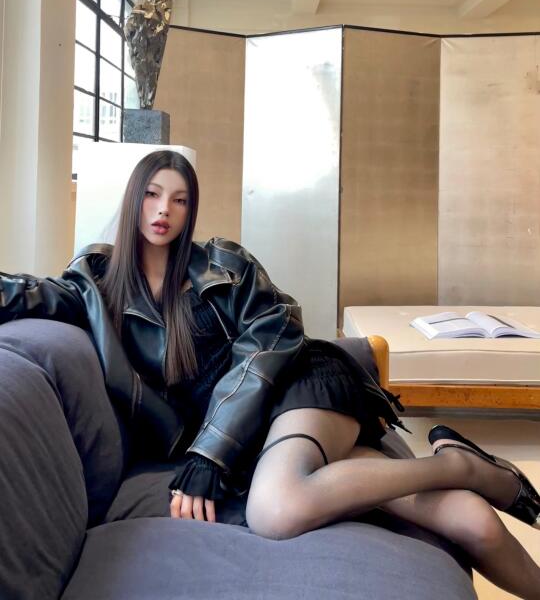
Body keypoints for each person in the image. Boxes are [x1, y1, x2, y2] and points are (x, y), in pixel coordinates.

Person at [0, 149, 539, 599]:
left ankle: (461, 466)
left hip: (300, 386)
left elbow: (274, 338)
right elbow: (26, 294)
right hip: (258, 438)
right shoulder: (93, 281)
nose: (164, 209)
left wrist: (210, 452)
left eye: (180, 199)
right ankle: (472, 482)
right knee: (466, 522)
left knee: (277, 509)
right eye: (152, 194)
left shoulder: (223, 264)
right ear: (133, 198)